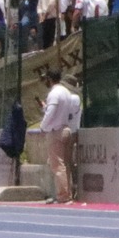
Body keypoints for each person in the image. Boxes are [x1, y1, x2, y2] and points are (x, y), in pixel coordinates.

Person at [40, 71, 82, 203]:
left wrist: (43, 126)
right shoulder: (67, 93)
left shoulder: (54, 93)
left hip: (56, 130)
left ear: (50, 79)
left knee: (57, 165)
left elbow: (51, 112)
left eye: (46, 79)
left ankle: (63, 195)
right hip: (66, 129)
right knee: (65, 164)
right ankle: (67, 193)